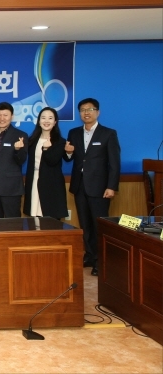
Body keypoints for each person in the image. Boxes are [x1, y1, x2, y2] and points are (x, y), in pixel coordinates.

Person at [65, 98, 120, 276]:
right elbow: (68, 158)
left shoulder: (108, 134)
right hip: (79, 185)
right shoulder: (74, 133)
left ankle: (100, 261)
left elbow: (114, 163)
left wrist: (111, 186)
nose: (86, 113)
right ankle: (89, 255)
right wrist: (68, 153)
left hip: (100, 187)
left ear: (98, 112)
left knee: (98, 226)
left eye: (90, 109)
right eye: (82, 110)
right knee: (85, 224)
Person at [23, 107, 68, 220]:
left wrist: (47, 149)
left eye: (50, 118)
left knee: (51, 219)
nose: (46, 121)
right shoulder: (32, 140)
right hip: (34, 181)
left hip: (51, 185)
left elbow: (52, 161)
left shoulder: (60, 142)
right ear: (39, 121)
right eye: (43, 118)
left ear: (55, 122)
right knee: (33, 218)